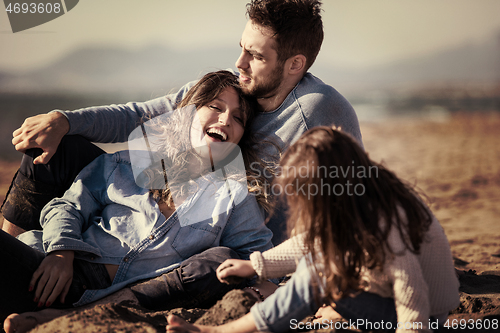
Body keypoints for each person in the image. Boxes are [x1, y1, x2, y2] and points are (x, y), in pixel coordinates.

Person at [2, 0, 363, 246]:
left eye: (254, 55)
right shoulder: (228, 89)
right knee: (50, 150)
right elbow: (139, 116)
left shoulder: (319, 110)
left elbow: (353, 201)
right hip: (164, 200)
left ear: (295, 65)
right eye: (241, 47)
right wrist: (64, 119)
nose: (239, 62)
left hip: (223, 235)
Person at [0, 71, 274, 325]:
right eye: (215, 107)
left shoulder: (234, 197)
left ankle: (68, 317)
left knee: (221, 259)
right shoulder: (128, 163)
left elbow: (261, 263)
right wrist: (61, 252)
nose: (226, 120)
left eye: (238, 118)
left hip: (119, 298)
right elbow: (68, 206)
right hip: (53, 269)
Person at [166, 127, 460, 333]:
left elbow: (413, 293)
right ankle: (337, 307)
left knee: (318, 274)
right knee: (317, 267)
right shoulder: (365, 190)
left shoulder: (383, 222)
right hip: (388, 301)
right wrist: (254, 265)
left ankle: (221, 332)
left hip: (421, 319)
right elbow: (312, 241)